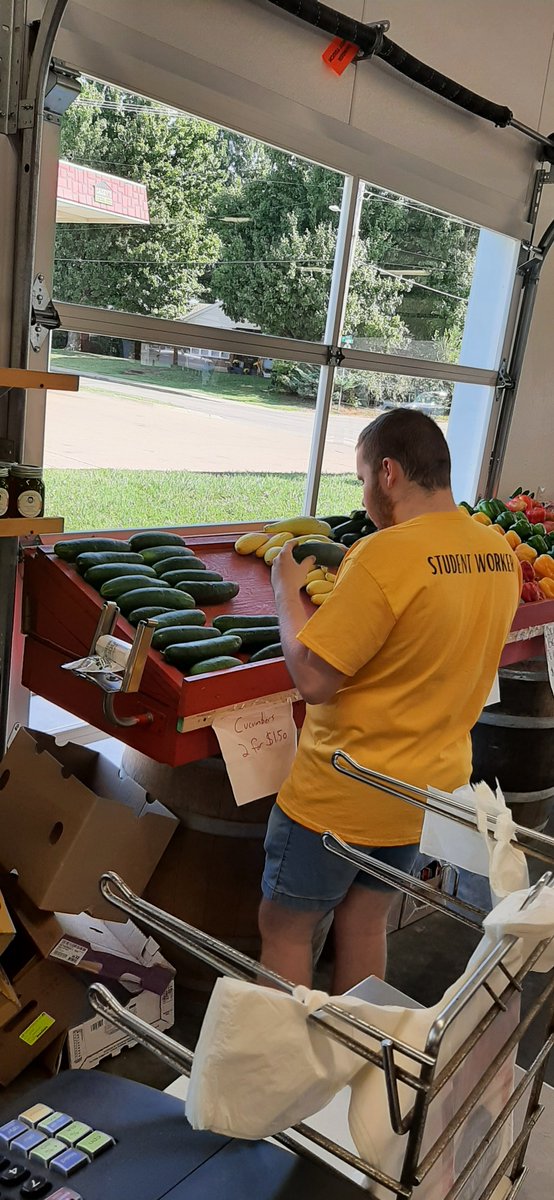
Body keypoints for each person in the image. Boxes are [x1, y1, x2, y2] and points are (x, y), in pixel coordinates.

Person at [259, 408, 521, 993]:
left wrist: (286, 593)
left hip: (342, 793)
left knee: (286, 928)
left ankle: (281, 1078)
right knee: (364, 921)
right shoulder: (497, 552)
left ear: (389, 473)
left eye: (360, 478)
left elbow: (315, 679)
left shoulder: (385, 555)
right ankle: (355, 1069)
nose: (363, 493)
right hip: (423, 795)